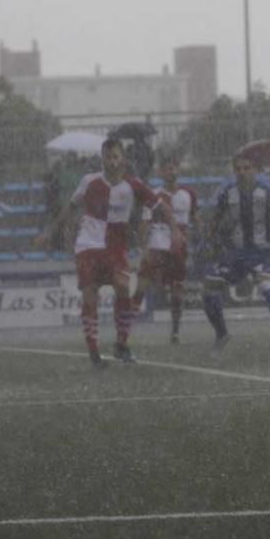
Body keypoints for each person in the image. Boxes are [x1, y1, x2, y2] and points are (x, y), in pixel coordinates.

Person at [36, 138, 177, 368]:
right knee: (90, 294)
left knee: (123, 288)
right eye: (107, 157)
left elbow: (160, 207)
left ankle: (121, 344)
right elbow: (70, 208)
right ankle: (94, 352)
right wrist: (50, 232)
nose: (111, 162)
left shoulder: (134, 185)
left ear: (123, 159)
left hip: (116, 246)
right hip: (88, 244)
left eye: (115, 156)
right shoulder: (89, 181)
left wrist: (175, 230)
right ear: (102, 159)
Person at [200, 150, 270, 358]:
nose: (242, 172)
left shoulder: (268, 192)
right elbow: (216, 220)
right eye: (238, 169)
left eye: (247, 168)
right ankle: (222, 335)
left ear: (256, 170)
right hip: (236, 255)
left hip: (264, 253)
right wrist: (212, 239)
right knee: (209, 289)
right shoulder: (228, 193)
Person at [131, 156, 198, 344]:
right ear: (160, 172)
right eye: (167, 169)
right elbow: (145, 222)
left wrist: (198, 238)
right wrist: (142, 247)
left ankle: (175, 332)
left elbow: (193, 219)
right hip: (157, 244)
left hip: (178, 247)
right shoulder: (154, 195)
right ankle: (126, 329)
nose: (171, 172)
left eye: (174, 168)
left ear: (178, 170)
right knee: (142, 284)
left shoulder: (188, 194)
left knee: (177, 288)